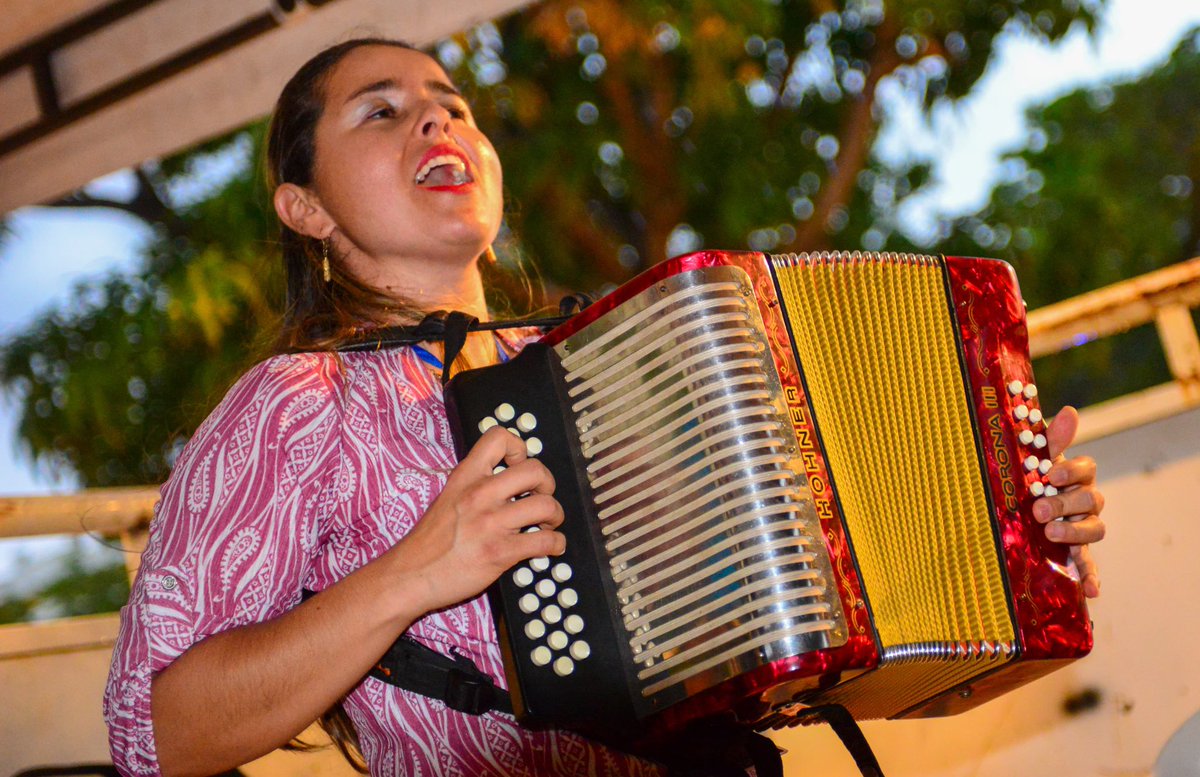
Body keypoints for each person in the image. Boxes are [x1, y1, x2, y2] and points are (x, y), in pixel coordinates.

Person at [103, 37, 1108, 777]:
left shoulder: (617, 359)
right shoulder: (296, 400)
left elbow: (817, 647)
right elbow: (156, 735)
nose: (438, 119)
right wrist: (418, 572)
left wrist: (1010, 534)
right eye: (379, 109)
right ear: (306, 208)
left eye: (454, 105)